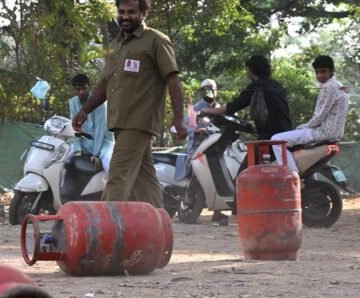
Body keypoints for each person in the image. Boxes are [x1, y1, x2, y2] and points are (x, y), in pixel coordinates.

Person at [72, 0, 188, 208]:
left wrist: (179, 118)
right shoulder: (116, 44)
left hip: (139, 121)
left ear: (143, 13)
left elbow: (173, 79)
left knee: (118, 177)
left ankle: (102, 231)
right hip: (120, 122)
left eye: (131, 12)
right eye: (122, 11)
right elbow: (105, 83)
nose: (125, 16)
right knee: (146, 183)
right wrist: (85, 110)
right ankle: (159, 230)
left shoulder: (156, 41)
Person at [271, 55, 349, 170]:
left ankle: (293, 176)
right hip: (334, 135)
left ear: (331, 71)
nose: (320, 76)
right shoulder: (339, 86)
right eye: (317, 72)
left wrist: (304, 126)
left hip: (322, 132)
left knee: (276, 140)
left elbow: (319, 116)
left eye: (323, 71)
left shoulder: (328, 87)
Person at [201, 55, 291, 141]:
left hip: (270, 135)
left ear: (251, 70)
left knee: (250, 156)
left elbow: (232, 107)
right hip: (286, 132)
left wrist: (208, 110)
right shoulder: (277, 85)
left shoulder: (257, 86)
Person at [190, 78, 229, 225]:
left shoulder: (219, 108)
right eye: (206, 89)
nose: (210, 92)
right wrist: (197, 130)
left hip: (215, 147)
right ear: (202, 91)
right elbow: (189, 128)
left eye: (212, 89)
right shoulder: (196, 108)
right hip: (198, 147)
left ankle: (217, 211)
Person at [68, 73, 115, 173]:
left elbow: (100, 130)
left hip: (103, 144)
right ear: (74, 90)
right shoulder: (73, 102)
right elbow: (75, 129)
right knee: (63, 160)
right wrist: (77, 149)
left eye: (84, 88)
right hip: (85, 143)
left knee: (110, 166)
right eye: (78, 89)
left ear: (89, 87)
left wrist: (96, 154)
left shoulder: (99, 103)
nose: (81, 92)